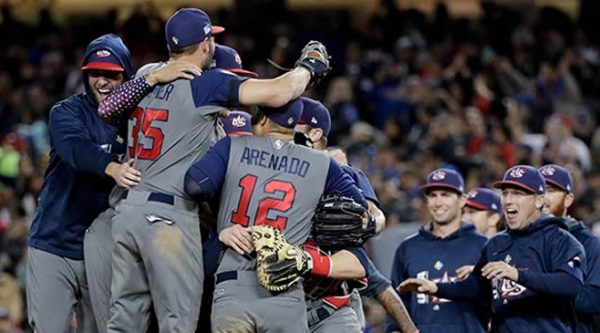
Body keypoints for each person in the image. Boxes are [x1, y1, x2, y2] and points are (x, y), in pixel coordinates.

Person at [99, 7, 330, 332]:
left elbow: (106, 108)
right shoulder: (204, 82)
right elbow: (279, 92)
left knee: (124, 322)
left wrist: (150, 78)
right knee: (178, 323)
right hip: (168, 218)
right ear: (206, 44)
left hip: (128, 211)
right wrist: (308, 67)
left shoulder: (149, 72)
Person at [184, 99, 367, 333]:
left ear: (262, 118)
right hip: (287, 290)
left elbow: (195, 185)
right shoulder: (323, 164)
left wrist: (223, 226)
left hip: (234, 283)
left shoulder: (233, 145)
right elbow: (359, 209)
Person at [25, 33, 139, 333]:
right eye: (95, 74)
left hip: (102, 252)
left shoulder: (137, 120)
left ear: (126, 75)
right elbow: (75, 148)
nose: (102, 81)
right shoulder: (66, 112)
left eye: (111, 74)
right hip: (55, 245)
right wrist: (111, 166)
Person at [400, 165, 586, 333]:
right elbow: (476, 286)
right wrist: (435, 288)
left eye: (518, 193)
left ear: (538, 201)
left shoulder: (560, 239)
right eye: (505, 193)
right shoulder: (496, 244)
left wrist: (517, 275)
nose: (508, 200)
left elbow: (570, 284)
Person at [295, 97, 416, 333]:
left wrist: (370, 222)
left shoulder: (348, 174)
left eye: (295, 124)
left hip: (334, 296)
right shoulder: (285, 166)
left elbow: (375, 217)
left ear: (316, 133)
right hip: (289, 295)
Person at [388, 168, 488, 333]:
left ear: (462, 200)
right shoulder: (408, 247)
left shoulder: (482, 245)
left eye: (445, 195)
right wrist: (395, 329)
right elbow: (398, 301)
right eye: (433, 195)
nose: (438, 202)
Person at [540, 164, 600, 333]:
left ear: (568, 199)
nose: (543, 197)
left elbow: (595, 299)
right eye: (539, 191)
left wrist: (542, 287)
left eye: (550, 191)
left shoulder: (587, 242)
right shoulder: (518, 238)